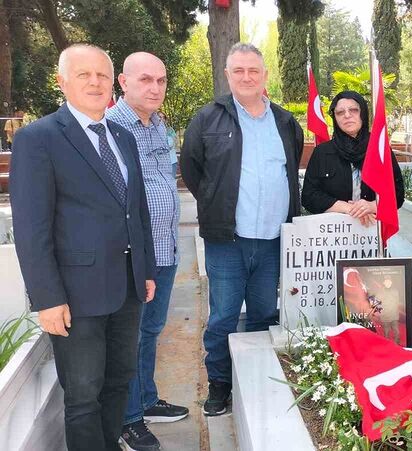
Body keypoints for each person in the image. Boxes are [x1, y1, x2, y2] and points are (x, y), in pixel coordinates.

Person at [10, 44, 156, 451]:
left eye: (102, 75)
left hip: (126, 289)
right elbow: (31, 228)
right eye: (84, 74)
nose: (95, 82)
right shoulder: (38, 139)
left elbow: (136, 210)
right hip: (75, 296)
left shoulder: (123, 137)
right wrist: (47, 298)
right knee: (82, 397)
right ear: (62, 81)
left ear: (114, 83)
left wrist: (144, 271)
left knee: (118, 382)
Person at [180, 42, 304, 417]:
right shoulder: (207, 119)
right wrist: (216, 205)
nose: (247, 77)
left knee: (265, 314)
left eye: (254, 70)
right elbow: (192, 170)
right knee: (223, 317)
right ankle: (220, 384)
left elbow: (290, 168)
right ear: (228, 75)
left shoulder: (285, 122)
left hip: (272, 241)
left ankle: (257, 377)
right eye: (239, 71)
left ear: (265, 76)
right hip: (227, 242)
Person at [107, 52, 186, 451]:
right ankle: (129, 418)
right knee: (132, 335)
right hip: (134, 256)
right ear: (123, 82)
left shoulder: (157, 125)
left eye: (161, 80)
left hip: (165, 249)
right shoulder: (110, 127)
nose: (155, 88)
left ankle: (147, 399)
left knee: (152, 331)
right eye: (145, 80)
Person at [301, 90, 404, 225]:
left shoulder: (379, 150)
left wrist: (372, 206)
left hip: (371, 230)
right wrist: (349, 208)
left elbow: (397, 194)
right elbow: (309, 196)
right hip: (333, 232)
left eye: (353, 110)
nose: (347, 115)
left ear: (363, 113)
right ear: (335, 118)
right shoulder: (322, 152)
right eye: (340, 112)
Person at [157, 111, 179, 178]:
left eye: (163, 117)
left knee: (171, 182)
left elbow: (172, 144)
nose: (162, 119)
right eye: (160, 117)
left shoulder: (170, 130)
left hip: (172, 161)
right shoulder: (152, 130)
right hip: (159, 163)